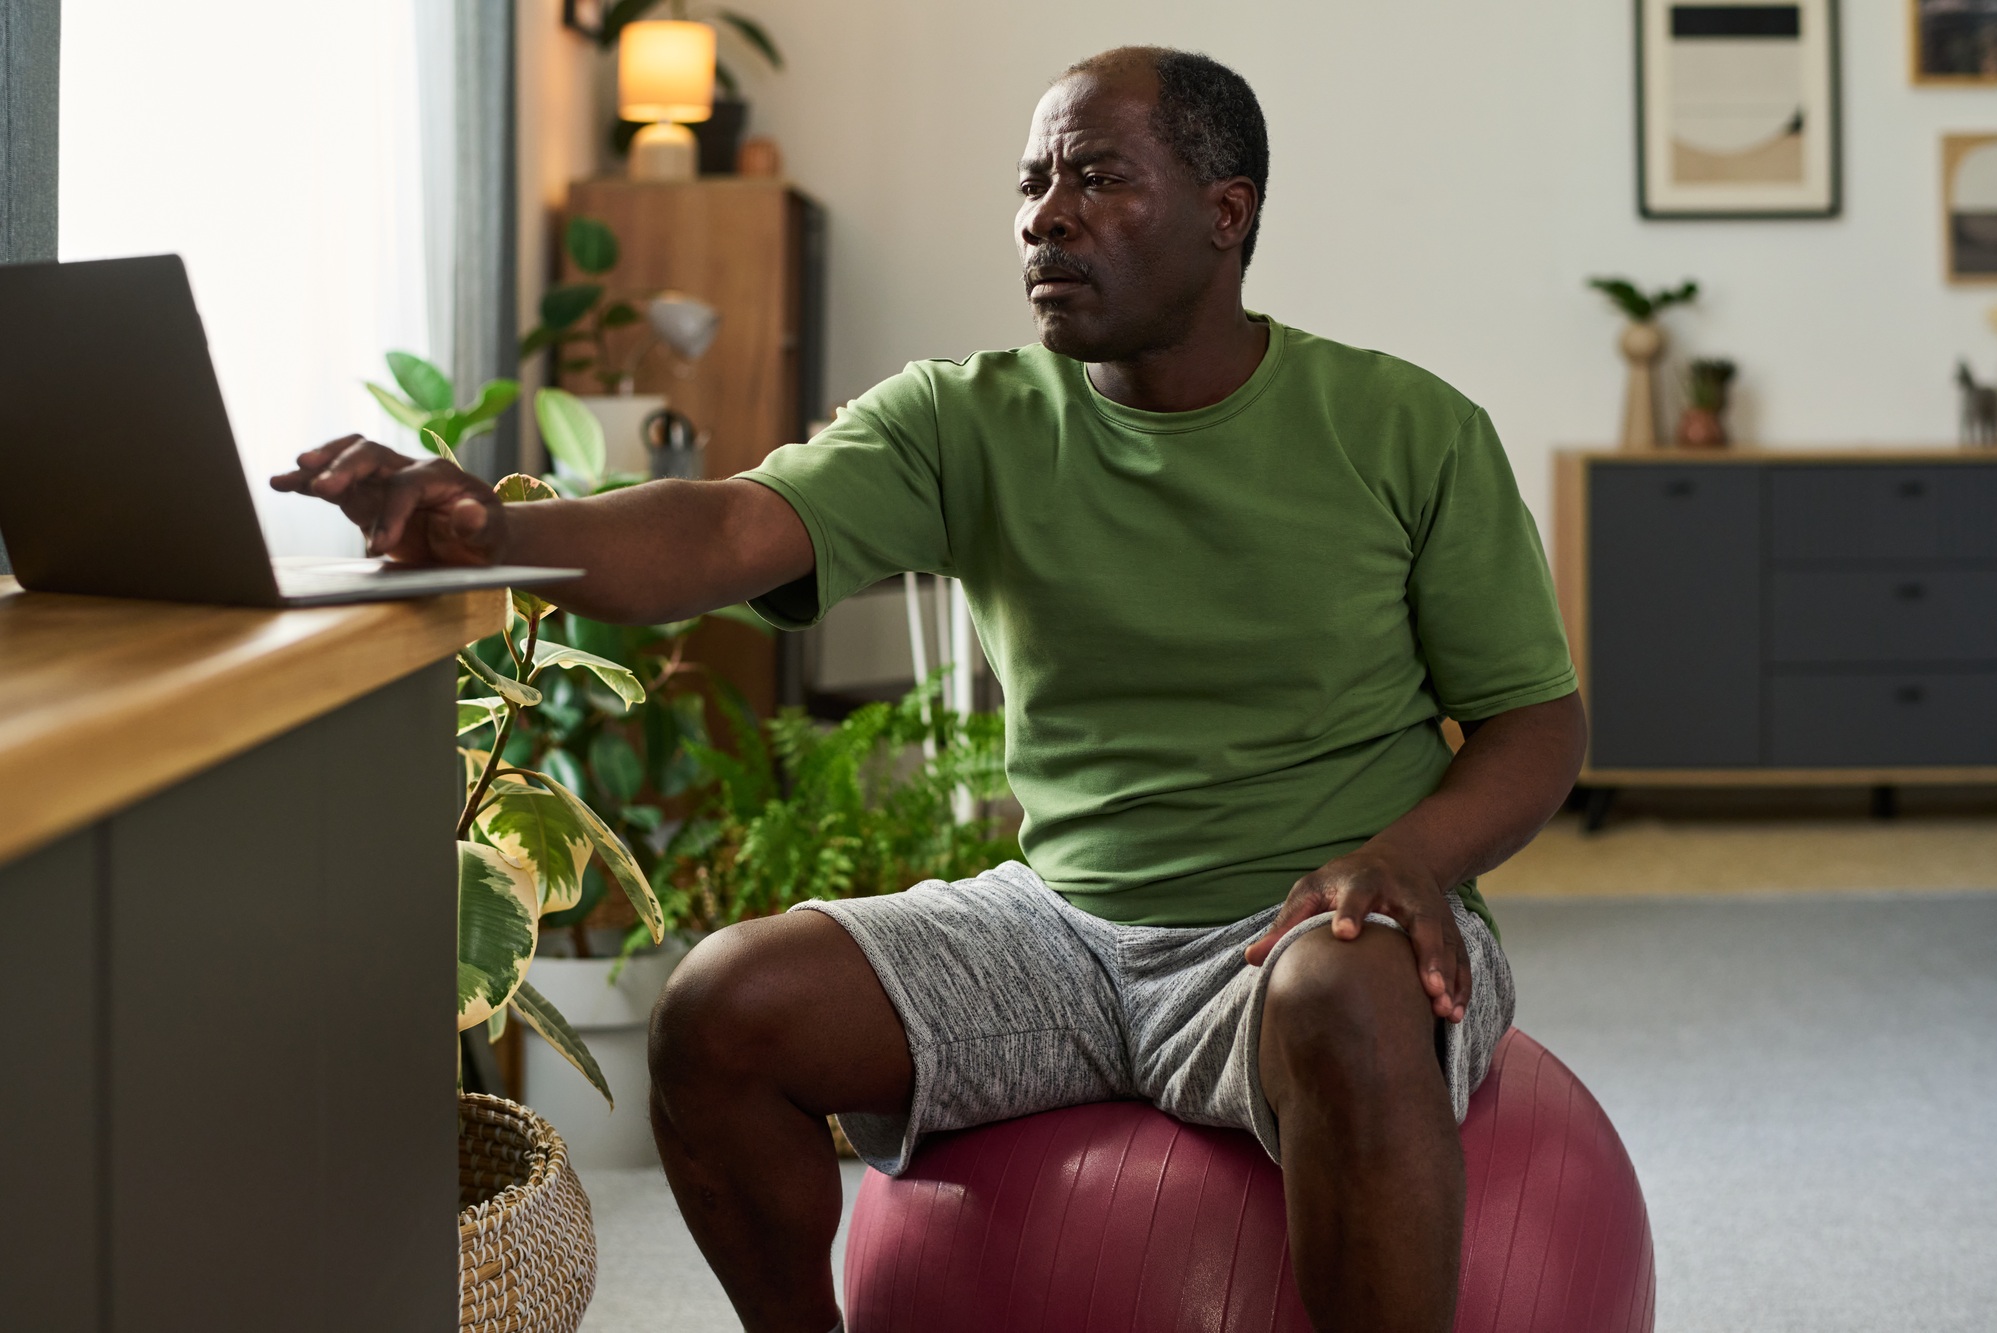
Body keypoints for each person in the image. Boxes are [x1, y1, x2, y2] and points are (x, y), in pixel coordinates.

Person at [275, 46, 1585, 1333]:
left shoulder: (1406, 430)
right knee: (722, 1010)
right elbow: (731, 529)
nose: (1047, 217)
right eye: (1031, 184)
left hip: (1308, 924)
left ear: (1225, 213)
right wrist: (495, 536)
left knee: (1342, 994)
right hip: (1060, 931)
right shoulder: (967, 421)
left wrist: (1407, 858)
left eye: (1098, 179)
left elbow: (1536, 718)